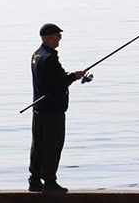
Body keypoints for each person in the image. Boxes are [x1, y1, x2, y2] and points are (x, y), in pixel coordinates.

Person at [28, 23, 85, 193]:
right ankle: (50, 182)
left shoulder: (37, 55)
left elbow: (51, 79)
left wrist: (69, 76)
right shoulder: (50, 59)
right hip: (52, 111)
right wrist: (74, 76)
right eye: (58, 36)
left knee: (38, 146)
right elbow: (58, 83)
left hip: (39, 108)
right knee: (52, 146)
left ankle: (35, 180)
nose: (60, 39)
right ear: (50, 37)